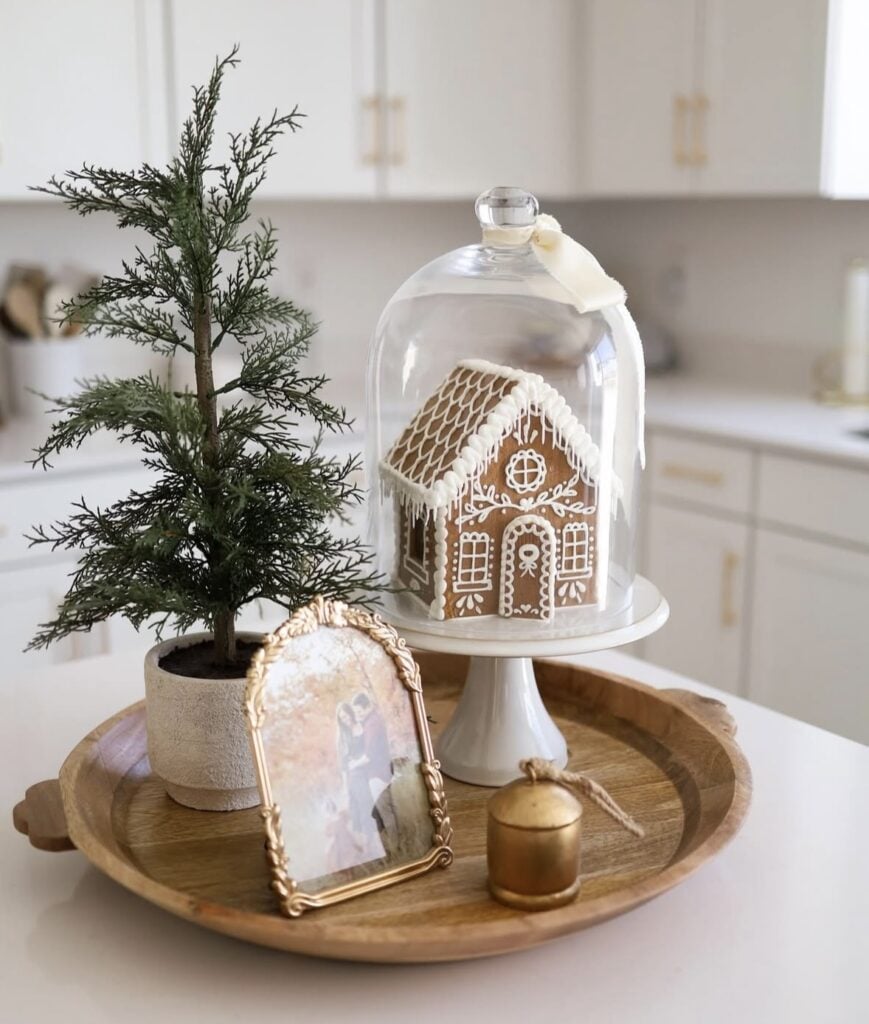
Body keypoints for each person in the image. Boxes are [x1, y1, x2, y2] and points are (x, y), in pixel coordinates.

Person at [335, 701, 384, 860]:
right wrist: (345, 785)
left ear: (350, 713)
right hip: (355, 775)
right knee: (364, 806)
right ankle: (368, 846)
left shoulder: (363, 725)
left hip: (369, 770)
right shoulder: (343, 736)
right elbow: (343, 765)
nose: (345, 720)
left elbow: (371, 748)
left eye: (346, 715)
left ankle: (372, 843)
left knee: (371, 805)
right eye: (342, 718)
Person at [352, 692, 398, 846]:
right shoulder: (371, 722)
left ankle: (396, 846)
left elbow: (369, 756)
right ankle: (395, 844)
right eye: (356, 712)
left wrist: (353, 765)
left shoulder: (372, 724)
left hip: (378, 773)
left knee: (385, 810)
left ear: (367, 708)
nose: (358, 715)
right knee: (387, 809)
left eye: (360, 711)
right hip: (382, 771)